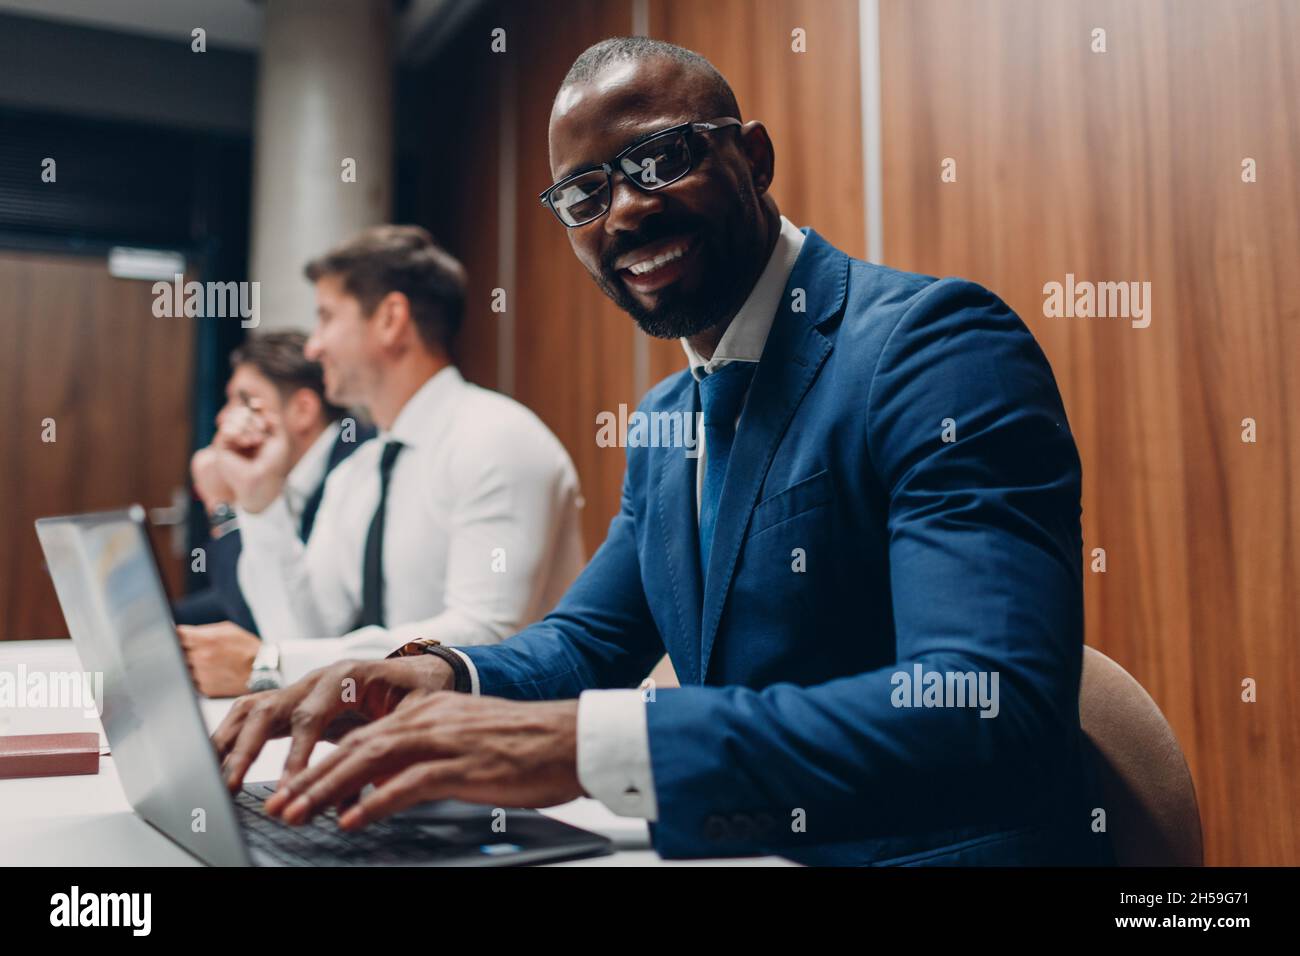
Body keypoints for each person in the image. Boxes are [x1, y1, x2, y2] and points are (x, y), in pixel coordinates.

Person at [215, 39, 1107, 866]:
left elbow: (982, 703)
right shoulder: (666, 416)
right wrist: (435, 674)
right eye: (585, 194)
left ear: (753, 159)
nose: (628, 210)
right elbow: (589, 639)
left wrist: (588, 743)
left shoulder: (936, 347)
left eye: (663, 158)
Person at [197, 225, 586, 696]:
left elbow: (485, 637)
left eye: (326, 318)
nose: (313, 346)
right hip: (397, 746)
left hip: (507, 753)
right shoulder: (359, 471)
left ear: (390, 319)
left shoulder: (497, 439)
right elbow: (301, 631)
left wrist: (276, 665)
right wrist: (260, 501)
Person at [176, 331, 374, 697]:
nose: (223, 417)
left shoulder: (359, 473)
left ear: (303, 410)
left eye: (244, 400)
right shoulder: (303, 471)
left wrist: (224, 507)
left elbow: (257, 623)